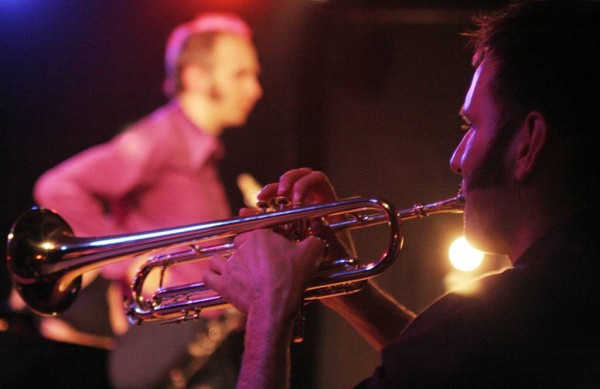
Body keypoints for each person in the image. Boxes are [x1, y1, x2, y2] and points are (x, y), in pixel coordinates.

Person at [203, 1, 600, 387]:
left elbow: (463, 349)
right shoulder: (558, 301)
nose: (457, 160)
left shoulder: (494, 319)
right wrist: (351, 291)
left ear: (528, 145)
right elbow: (452, 366)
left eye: (471, 128)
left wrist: (269, 313)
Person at [32, 12, 263, 388]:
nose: (255, 89)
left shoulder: (201, 155)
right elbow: (57, 186)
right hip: (166, 338)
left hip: (199, 341)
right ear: (195, 77)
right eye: (241, 74)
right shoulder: (159, 140)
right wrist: (123, 258)